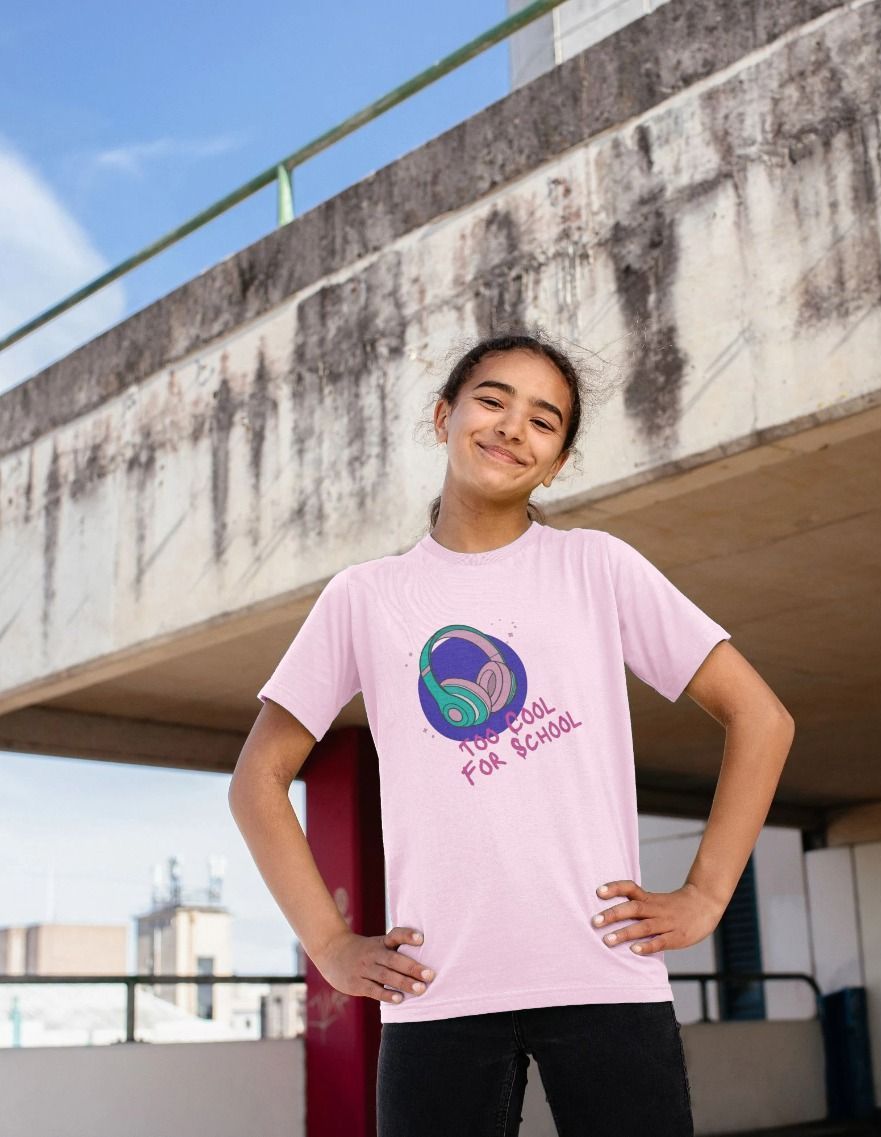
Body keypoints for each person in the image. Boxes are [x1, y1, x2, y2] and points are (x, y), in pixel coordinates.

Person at [229, 329, 795, 1137]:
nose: (511, 427)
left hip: (605, 977)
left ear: (556, 462)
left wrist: (706, 894)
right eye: (492, 399)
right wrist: (331, 946)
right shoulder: (364, 596)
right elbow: (257, 781)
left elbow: (763, 717)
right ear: (444, 416)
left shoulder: (596, 565)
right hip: (435, 989)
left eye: (544, 419)